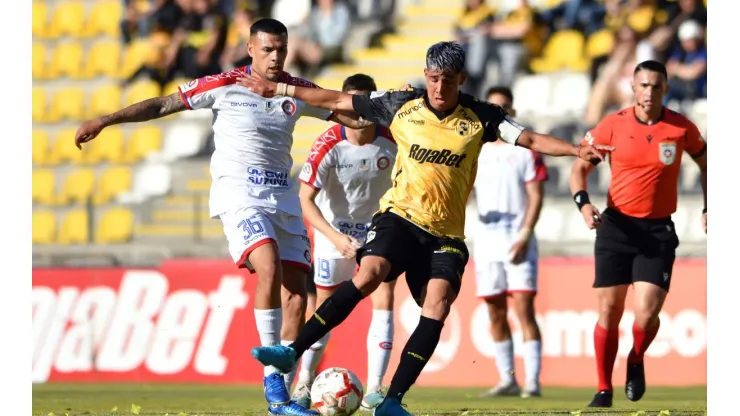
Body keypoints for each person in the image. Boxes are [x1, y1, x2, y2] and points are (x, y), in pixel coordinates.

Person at [238, 41, 612, 416]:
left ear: (461, 79)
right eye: (432, 78)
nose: (437, 88)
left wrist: (577, 150)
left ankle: (392, 401)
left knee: (437, 305)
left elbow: (529, 138)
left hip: (446, 235)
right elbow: (336, 99)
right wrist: (282, 89)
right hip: (400, 218)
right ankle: (291, 352)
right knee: (370, 274)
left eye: (446, 81)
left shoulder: (482, 115)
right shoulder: (401, 103)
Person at [74, 17, 372, 416]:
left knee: (298, 297)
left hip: (282, 199)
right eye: (267, 49)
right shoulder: (225, 83)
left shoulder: (296, 90)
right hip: (240, 193)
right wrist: (107, 120)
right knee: (267, 265)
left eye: (281, 49)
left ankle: (280, 400)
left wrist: (385, 111)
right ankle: (272, 381)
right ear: (250, 49)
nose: (275, 56)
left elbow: (349, 115)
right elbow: (164, 103)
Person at [569, 60, 707, 408]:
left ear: (665, 89)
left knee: (645, 313)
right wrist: (584, 204)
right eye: (643, 85)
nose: (648, 92)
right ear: (633, 88)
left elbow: (708, 163)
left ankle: (636, 357)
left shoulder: (680, 128)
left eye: (655, 86)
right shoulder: (612, 126)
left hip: (657, 230)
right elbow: (579, 169)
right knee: (609, 313)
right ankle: (603, 389)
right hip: (616, 227)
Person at [291, 74, 398, 410]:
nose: (358, 111)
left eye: (365, 102)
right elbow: (305, 199)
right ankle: (304, 382)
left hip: (377, 231)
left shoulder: (393, 139)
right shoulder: (328, 143)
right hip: (333, 232)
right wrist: (336, 238)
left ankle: (375, 390)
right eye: (352, 102)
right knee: (324, 309)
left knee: (384, 295)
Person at [472, 86, 547, 399]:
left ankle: (532, 381)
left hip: (518, 240)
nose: (498, 112)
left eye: (504, 108)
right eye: (493, 107)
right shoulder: (475, 149)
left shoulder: (525, 151)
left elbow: (536, 195)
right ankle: (508, 379)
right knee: (495, 311)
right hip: (486, 242)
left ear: (511, 113)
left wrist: (525, 234)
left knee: (524, 310)